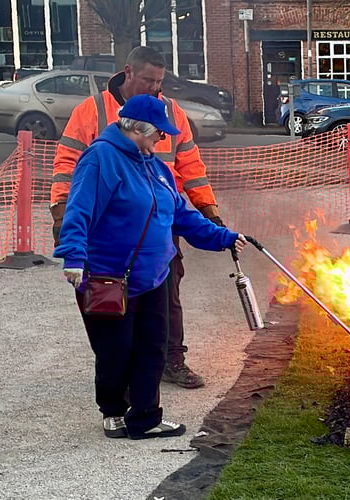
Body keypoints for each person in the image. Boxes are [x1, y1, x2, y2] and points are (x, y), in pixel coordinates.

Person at [54, 94, 247, 439]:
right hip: (109, 276)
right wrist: (73, 255)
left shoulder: (154, 165)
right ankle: (113, 412)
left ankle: (145, 417)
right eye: (160, 134)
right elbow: (78, 210)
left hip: (155, 275)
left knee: (153, 347)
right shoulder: (100, 159)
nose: (164, 140)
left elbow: (180, 215)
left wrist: (223, 237)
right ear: (139, 130)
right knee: (115, 351)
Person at [51, 46, 219, 389]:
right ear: (128, 72)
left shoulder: (171, 112)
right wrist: (62, 216)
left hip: (161, 217)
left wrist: (209, 212)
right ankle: (120, 371)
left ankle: (172, 359)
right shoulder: (92, 111)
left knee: (166, 293)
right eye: (148, 80)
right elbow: (67, 164)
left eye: (160, 81)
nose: (155, 88)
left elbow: (191, 167)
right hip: (111, 226)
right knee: (112, 299)